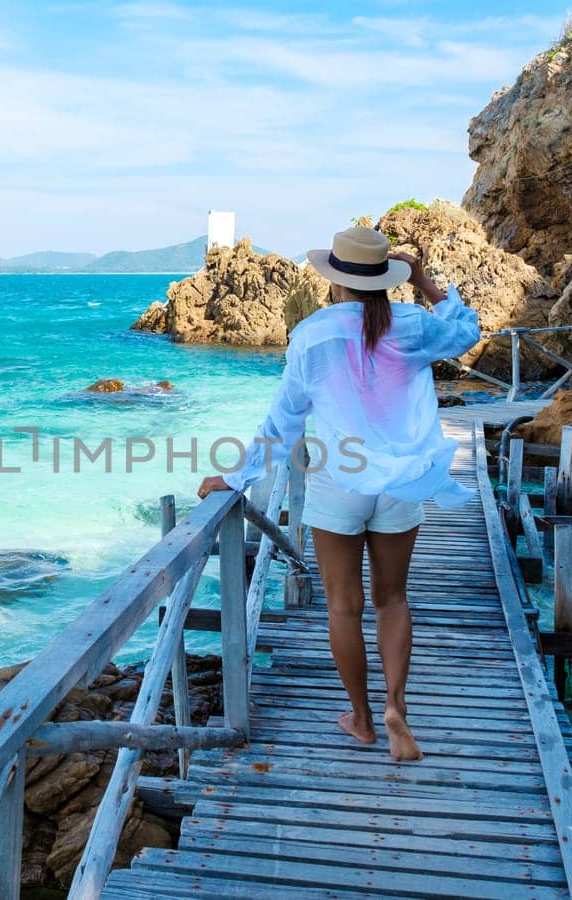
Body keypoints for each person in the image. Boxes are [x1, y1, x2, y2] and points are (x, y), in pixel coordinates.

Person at [197, 225, 480, 762]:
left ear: (336, 281)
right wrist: (423, 280)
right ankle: (397, 704)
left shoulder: (312, 333)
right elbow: (466, 327)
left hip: (338, 483)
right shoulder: (414, 324)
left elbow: (284, 419)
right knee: (393, 600)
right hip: (400, 482)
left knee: (343, 608)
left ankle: (363, 719)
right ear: (386, 279)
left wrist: (236, 477)